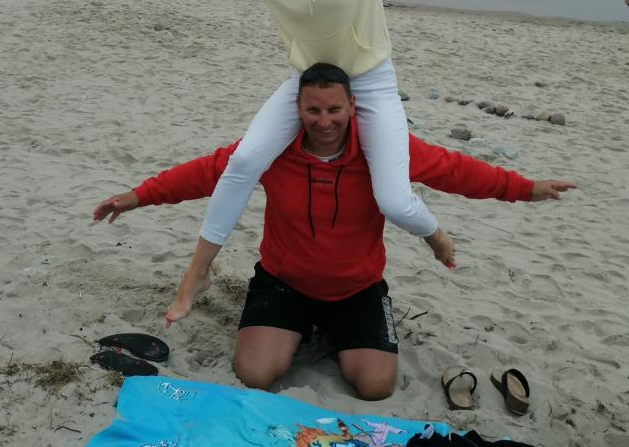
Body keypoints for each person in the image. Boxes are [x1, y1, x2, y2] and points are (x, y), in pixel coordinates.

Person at [127, 0, 487, 323]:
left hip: (370, 82)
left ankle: (435, 234)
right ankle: (196, 273)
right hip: (308, 86)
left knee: (394, 201)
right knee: (244, 162)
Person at [93, 63, 575, 400]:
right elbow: (206, 173)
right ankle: (299, 328)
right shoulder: (271, 149)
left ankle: (331, 331)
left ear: (352, 106)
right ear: (297, 109)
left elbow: (456, 170)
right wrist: (138, 196)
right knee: (255, 374)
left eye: (334, 110)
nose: (324, 122)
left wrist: (524, 188)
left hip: (356, 288)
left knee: (375, 387)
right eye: (313, 111)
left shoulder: (384, 150)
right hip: (284, 282)